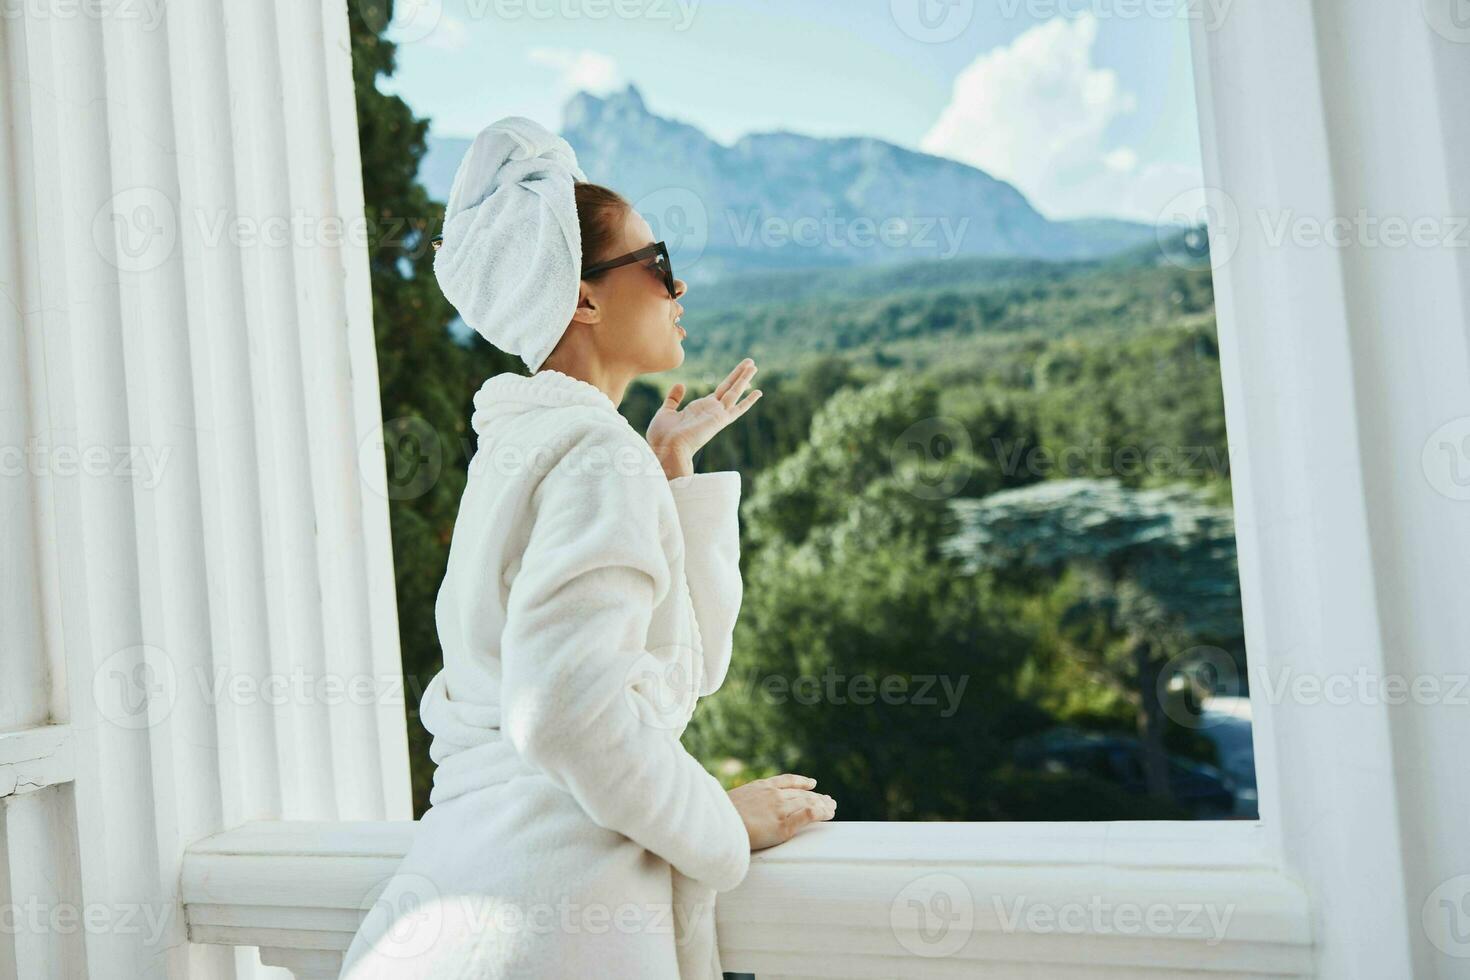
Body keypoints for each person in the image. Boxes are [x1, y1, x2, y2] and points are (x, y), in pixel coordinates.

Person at [338, 117, 835, 980]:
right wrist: (719, 824)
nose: (680, 290)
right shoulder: (594, 455)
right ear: (583, 296)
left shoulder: (525, 447)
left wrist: (670, 472)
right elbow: (563, 712)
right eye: (659, 264)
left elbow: (678, 675)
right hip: (549, 919)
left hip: (446, 900)